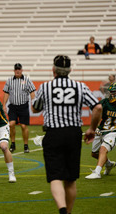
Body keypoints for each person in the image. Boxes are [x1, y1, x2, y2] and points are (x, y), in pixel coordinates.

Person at [31, 55, 102, 214]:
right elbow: (97, 107)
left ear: (53, 70)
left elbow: (35, 108)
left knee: (55, 177)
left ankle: (62, 210)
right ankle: (68, 212)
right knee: (70, 180)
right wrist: (91, 129)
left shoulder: (46, 86)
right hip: (73, 134)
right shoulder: (80, 86)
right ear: (70, 70)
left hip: (53, 133)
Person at [3, 63, 36, 153]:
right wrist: (4, 105)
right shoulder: (9, 80)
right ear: (14, 70)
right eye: (16, 69)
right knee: (11, 124)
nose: (17, 71)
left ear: (21, 70)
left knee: (23, 125)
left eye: (19, 69)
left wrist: (33, 103)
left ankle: (26, 145)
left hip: (23, 106)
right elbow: (6, 93)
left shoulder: (27, 80)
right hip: (13, 106)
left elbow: (32, 92)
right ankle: (13, 144)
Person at [85, 82, 116, 179]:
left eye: (114, 92)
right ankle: (109, 164)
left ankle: (97, 172)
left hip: (113, 132)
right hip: (102, 130)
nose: (111, 94)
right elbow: (97, 115)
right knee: (94, 154)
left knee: (103, 149)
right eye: (111, 92)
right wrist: (96, 128)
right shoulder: (105, 102)